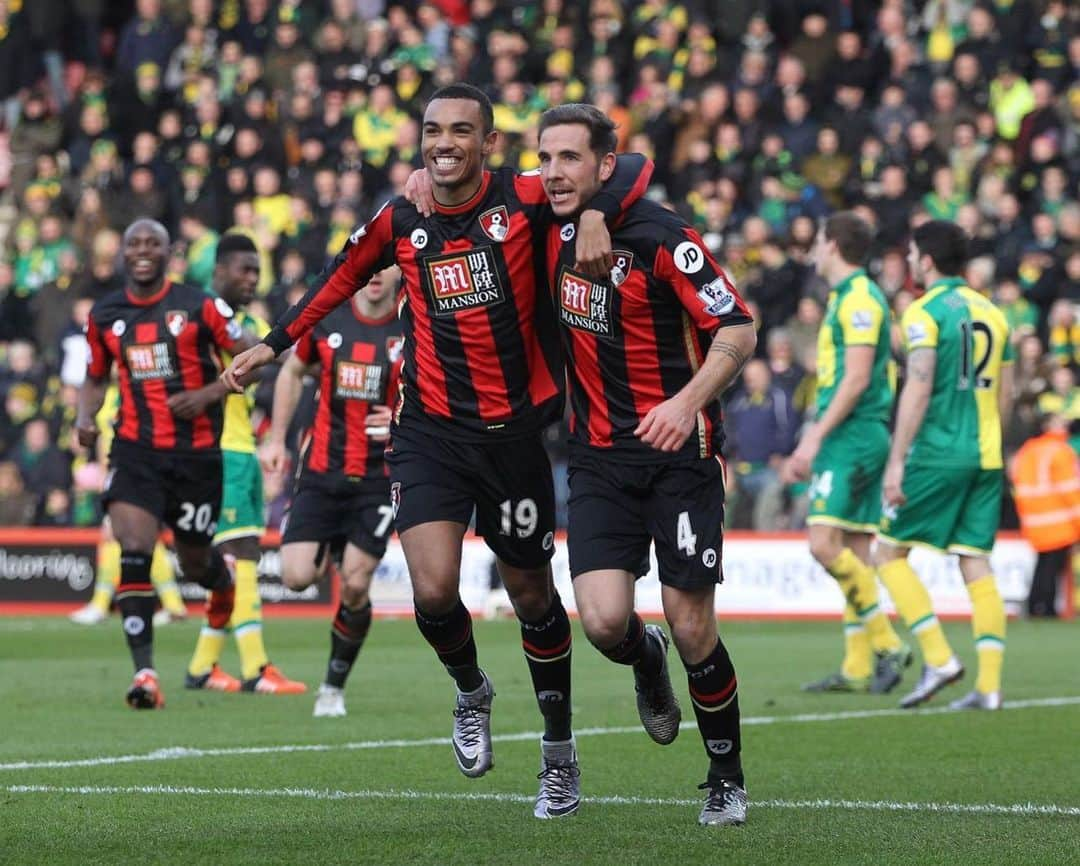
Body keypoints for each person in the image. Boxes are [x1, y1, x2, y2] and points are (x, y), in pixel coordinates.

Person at [221, 83, 651, 819]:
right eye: (432, 131)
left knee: (532, 598)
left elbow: (631, 162)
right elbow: (336, 281)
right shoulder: (401, 216)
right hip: (428, 432)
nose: (443, 142)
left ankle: (558, 751)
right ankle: (471, 691)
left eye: (461, 131)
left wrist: (600, 212)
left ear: (489, 143)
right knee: (430, 591)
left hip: (514, 435)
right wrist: (272, 344)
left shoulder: (524, 198)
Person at [537, 104, 757, 826]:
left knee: (695, 625)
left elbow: (736, 325)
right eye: (546, 157)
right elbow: (474, 183)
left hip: (678, 456)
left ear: (605, 166)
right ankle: (644, 660)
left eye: (572, 158)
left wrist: (687, 402)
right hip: (597, 456)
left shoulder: (664, 237)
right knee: (603, 622)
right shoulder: (546, 221)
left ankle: (726, 776)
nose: (554, 172)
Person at [76, 218, 259, 709]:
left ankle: (220, 586)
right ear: (122, 254)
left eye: (151, 243)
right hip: (135, 450)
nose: (141, 250)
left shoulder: (200, 305)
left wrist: (210, 392)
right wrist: (83, 417)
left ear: (167, 253)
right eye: (132, 242)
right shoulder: (104, 314)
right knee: (132, 546)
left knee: (195, 562)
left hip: (197, 457)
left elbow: (255, 354)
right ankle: (145, 676)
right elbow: (95, 377)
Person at [874, 220, 1013, 711]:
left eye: (912, 254)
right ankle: (990, 687)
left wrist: (896, 462)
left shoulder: (923, 311)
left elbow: (918, 385)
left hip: (937, 452)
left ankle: (938, 657)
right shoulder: (994, 313)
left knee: (886, 553)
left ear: (926, 260)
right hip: (988, 452)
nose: (911, 262)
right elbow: (1006, 393)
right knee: (974, 559)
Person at [260, 266, 403, 717]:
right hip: (321, 473)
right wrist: (278, 437)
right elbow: (291, 372)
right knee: (296, 576)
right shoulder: (328, 322)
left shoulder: (414, 325)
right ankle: (334, 547)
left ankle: (333, 686)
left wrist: (402, 419)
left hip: (379, 479)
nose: (375, 275)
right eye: (370, 266)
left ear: (401, 272)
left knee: (356, 584)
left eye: (386, 266)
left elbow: (440, 389)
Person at [786, 212, 910, 694]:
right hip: (859, 434)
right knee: (855, 551)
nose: (813, 248)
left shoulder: (859, 299)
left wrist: (814, 436)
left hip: (852, 435)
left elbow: (857, 378)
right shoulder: (847, 297)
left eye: (818, 238)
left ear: (832, 244)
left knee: (822, 544)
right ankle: (859, 667)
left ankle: (889, 644)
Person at [184, 233, 306, 696]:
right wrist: (273, 350)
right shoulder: (204, 316)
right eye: (243, 269)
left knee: (242, 553)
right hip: (219, 450)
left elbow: (271, 355)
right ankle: (256, 667)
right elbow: (254, 355)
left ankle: (202, 666)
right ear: (219, 271)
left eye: (256, 271)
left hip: (244, 448)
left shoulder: (251, 320)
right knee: (241, 556)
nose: (252, 279)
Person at [1010, 410, 1080, 617]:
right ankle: (1047, 608)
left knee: (1043, 564)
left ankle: (1034, 605)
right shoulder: (1060, 450)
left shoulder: (1028, 450)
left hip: (1033, 518)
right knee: (1053, 566)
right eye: (1058, 421)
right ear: (1047, 426)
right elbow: (1070, 490)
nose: (1064, 425)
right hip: (1058, 518)